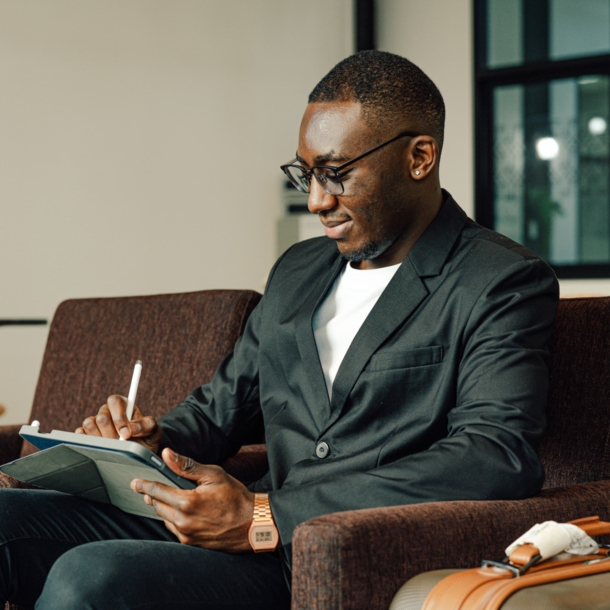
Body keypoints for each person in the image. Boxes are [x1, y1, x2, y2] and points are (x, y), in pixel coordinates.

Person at [0, 50, 558, 609]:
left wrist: (265, 516)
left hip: (328, 555)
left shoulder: (499, 280)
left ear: (419, 157)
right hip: (232, 526)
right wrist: (154, 442)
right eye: (307, 173)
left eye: (337, 173)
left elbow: (493, 455)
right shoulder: (298, 271)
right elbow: (219, 411)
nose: (316, 200)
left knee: (89, 577)